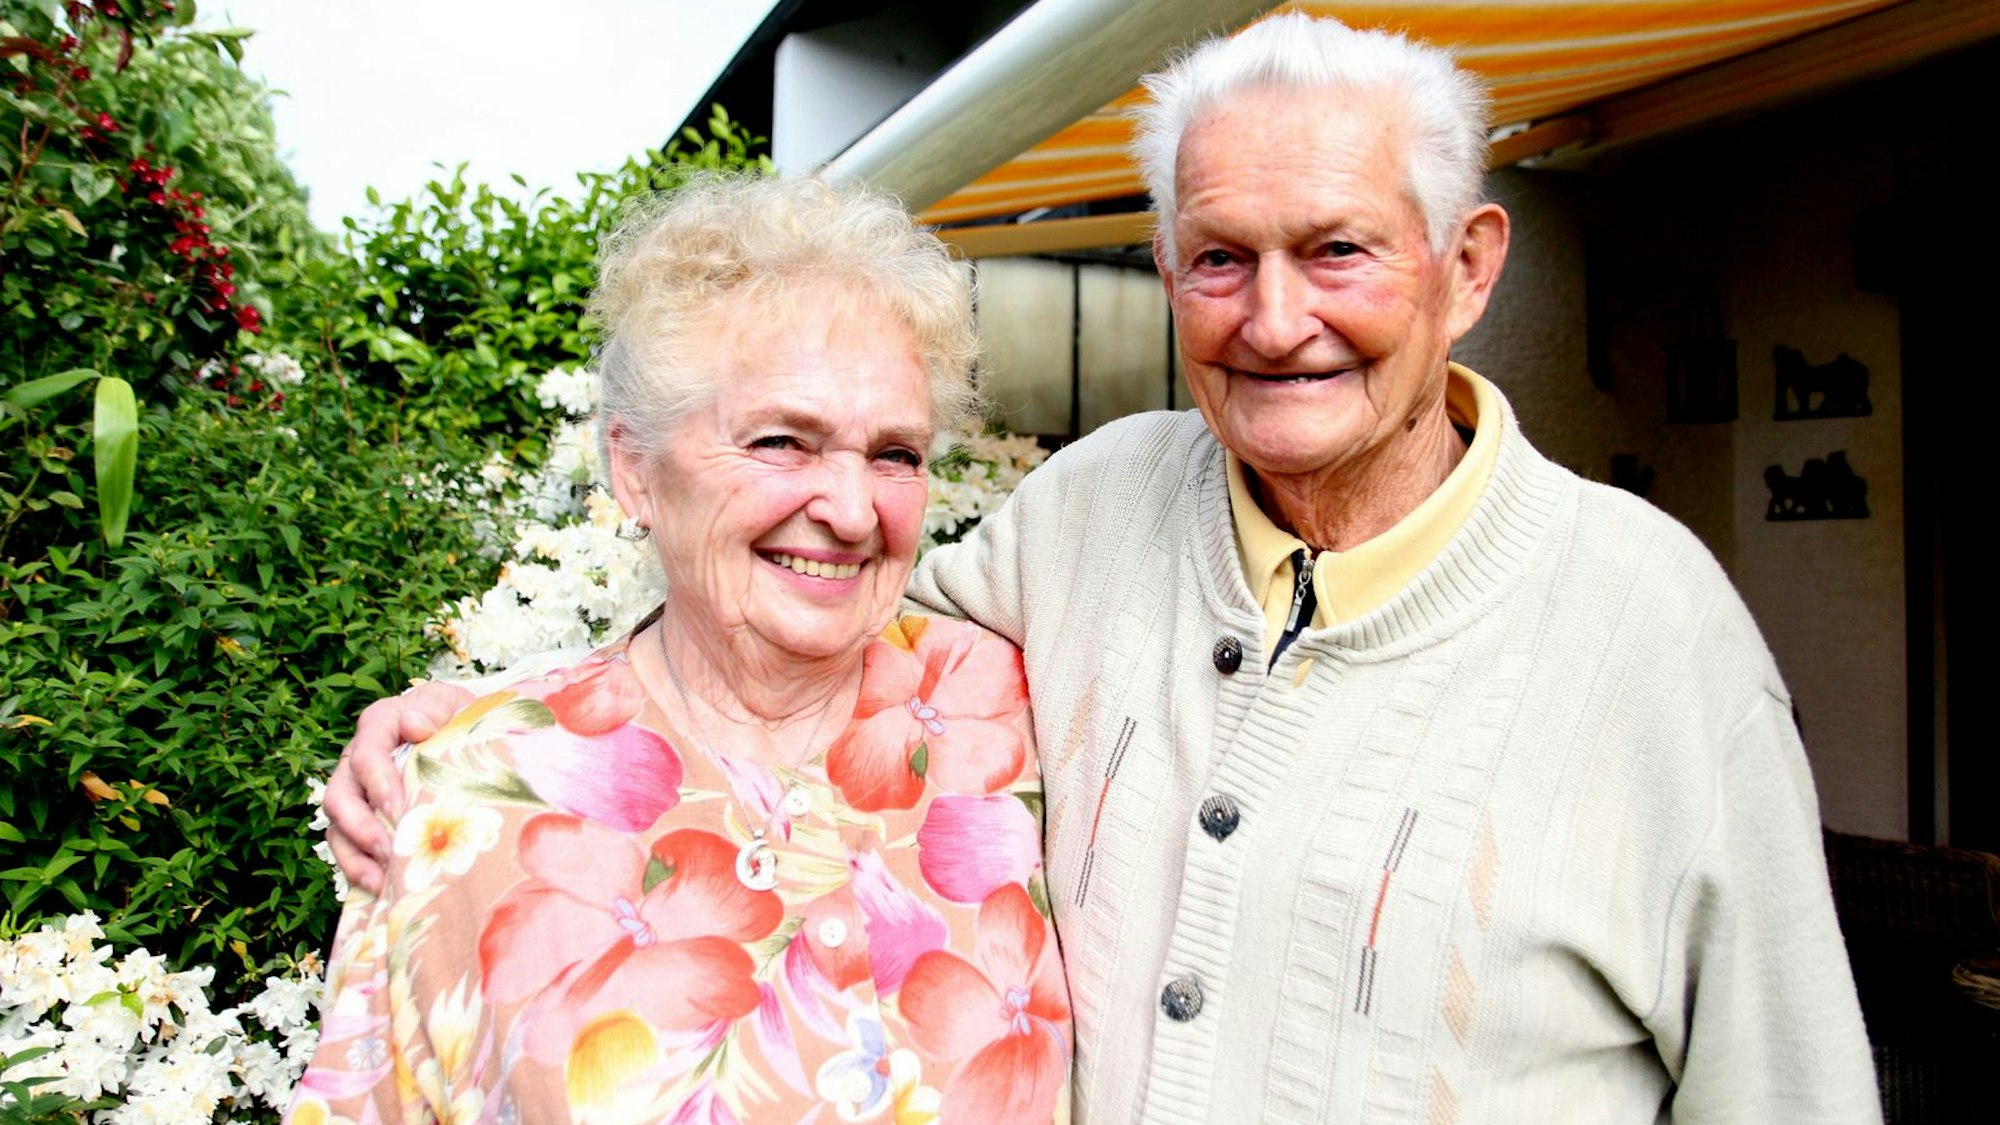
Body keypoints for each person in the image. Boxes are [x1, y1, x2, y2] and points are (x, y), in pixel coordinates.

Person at [327, 14, 1880, 1123]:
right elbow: (772, 618)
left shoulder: (1654, 632)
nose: (1275, 321)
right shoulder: (1093, 514)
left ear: (1467, 265)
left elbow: (1789, 1082)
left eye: (1337, 248)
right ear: (1168, 271)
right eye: (1219, 257)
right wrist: (482, 732)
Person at [288, 175, 1071, 1125]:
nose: (854, 510)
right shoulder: (469, 803)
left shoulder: (1020, 716)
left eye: (895, 453)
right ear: (634, 467)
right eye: (784, 440)